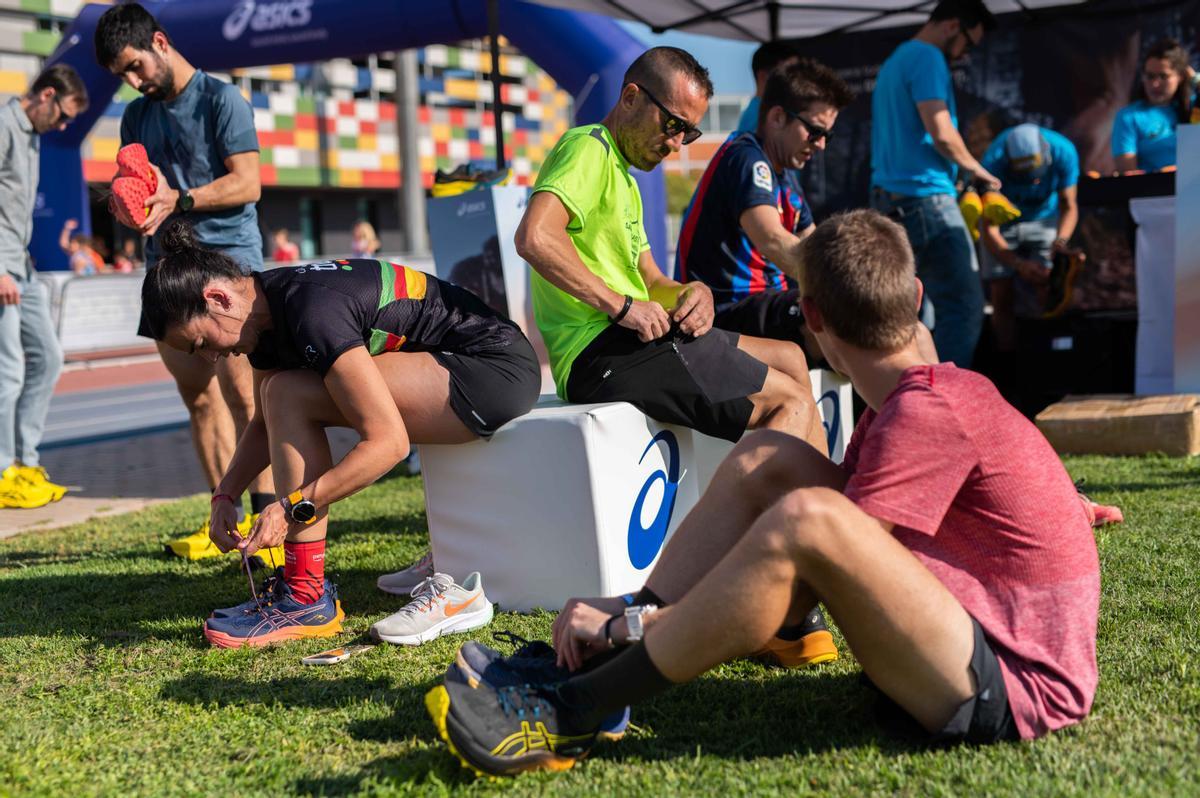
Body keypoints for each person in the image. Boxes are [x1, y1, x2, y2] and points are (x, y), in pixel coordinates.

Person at [426, 209, 1104, 776]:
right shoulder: (925, 397)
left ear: (811, 318)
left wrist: (635, 624)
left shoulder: (927, 414)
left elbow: (816, 565)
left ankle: (577, 710)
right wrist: (633, 616)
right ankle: (620, 646)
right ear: (917, 295)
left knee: (810, 521)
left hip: (1013, 691)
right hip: (971, 640)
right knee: (773, 458)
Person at [141, 220, 541, 648]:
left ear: (218, 298)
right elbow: (263, 422)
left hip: (494, 370)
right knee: (281, 393)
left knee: (290, 393)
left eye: (202, 343)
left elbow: (387, 445)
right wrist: (225, 494)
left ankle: (305, 596)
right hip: (460, 363)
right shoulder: (265, 315)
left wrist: (292, 507)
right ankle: (304, 592)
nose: (212, 359)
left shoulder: (311, 311)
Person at [95, 2, 275, 557]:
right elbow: (138, 190)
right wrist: (128, 210)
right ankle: (220, 518)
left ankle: (269, 525)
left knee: (248, 397)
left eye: (134, 66)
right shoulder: (135, 117)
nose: (132, 81)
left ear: (160, 41)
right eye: (120, 75)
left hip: (228, 264)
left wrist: (183, 198)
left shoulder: (223, 100)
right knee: (197, 397)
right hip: (166, 268)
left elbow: (249, 184)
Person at [675, 59, 853, 359]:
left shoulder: (785, 176)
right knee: (836, 319)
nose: (822, 144)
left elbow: (814, 245)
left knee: (880, 324)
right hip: (724, 314)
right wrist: (840, 289)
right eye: (815, 131)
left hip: (765, 306)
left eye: (828, 135)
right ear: (778, 117)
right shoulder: (746, 158)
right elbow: (771, 238)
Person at [869, 0, 999, 368]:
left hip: (890, 202)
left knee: (912, 317)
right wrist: (977, 170)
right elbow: (941, 132)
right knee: (964, 307)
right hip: (925, 201)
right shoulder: (928, 57)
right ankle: (941, 408)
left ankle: (910, 407)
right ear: (953, 25)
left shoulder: (897, 59)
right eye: (969, 44)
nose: (965, 54)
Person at [0, 64, 88, 509]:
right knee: (9, 366)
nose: (64, 125)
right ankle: (2, 472)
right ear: (46, 94)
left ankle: (24, 463)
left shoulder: (34, 137)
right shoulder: (3, 126)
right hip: (1, 268)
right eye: (64, 115)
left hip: (22, 266)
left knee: (49, 358)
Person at [977, 123, 1080, 348]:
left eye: (1037, 174)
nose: (1034, 181)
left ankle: (1051, 351)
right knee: (1001, 293)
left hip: (1045, 218)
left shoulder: (1064, 151)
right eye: (1025, 175)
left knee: (1048, 284)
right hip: (1003, 222)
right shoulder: (992, 161)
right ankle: (1007, 361)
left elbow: (1069, 206)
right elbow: (988, 228)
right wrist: (1018, 264)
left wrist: (1059, 244)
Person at [1112, 37, 1199, 173]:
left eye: (1164, 77)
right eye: (1150, 76)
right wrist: (1163, 176)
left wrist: (1196, 80)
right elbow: (1128, 174)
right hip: (1154, 192)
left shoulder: (1195, 107)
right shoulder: (1128, 116)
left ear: (1181, 76)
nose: (1155, 84)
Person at [734, 40, 801, 134]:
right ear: (763, 76)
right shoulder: (759, 118)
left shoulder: (759, 113)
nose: (797, 79)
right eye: (789, 72)